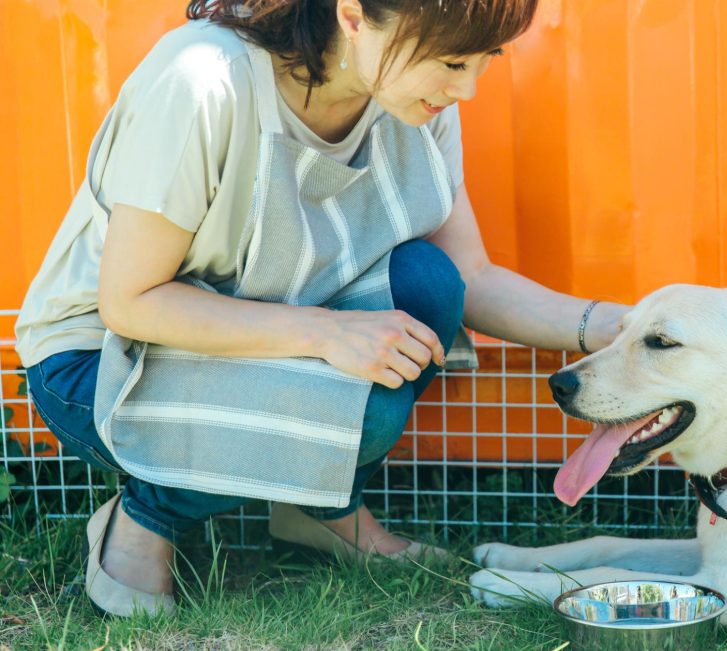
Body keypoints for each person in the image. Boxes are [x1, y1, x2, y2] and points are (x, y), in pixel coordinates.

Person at [15, 0, 627, 618]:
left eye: (484, 60)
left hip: (261, 330)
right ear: (355, 17)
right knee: (371, 408)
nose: (466, 88)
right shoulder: (203, 81)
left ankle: (318, 510)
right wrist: (328, 333)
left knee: (428, 286)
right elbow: (130, 302)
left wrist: (609, 327)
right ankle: (146, 516)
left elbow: (470, 278)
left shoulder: (415, 99)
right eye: (451, 61)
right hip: (102, 364)